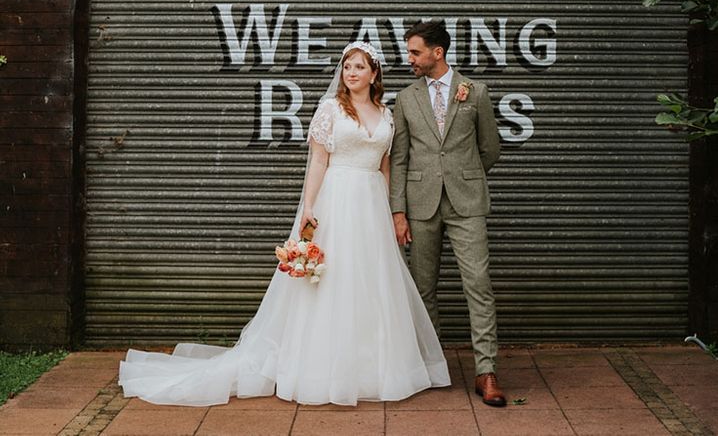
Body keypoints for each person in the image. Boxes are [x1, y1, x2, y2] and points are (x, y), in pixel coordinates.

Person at [118, 42, 450, 407]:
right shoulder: (330, 110)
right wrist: (308, 206)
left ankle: (371, 367)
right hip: (336, 199)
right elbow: (319, 162)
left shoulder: (387, 115)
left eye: (358, 67)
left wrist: (393, 211)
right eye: (346, 67)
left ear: (374, 74)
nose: (351, 73)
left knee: (372, 280)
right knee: (332, 281)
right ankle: (322, 367)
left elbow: (386, 167)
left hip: (371, 202)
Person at [390, 20, 506, 407]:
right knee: (424, 289)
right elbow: (401, 159)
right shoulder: (406, 98)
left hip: (466, 203)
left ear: (437, 53)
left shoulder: (476, 91)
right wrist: (398, 211)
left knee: (479, 284)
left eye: (415, 52)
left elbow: (490, 148)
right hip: (421, 205)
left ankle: (486, 372)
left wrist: (464, 176)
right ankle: (432, 366)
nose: (410, 59)